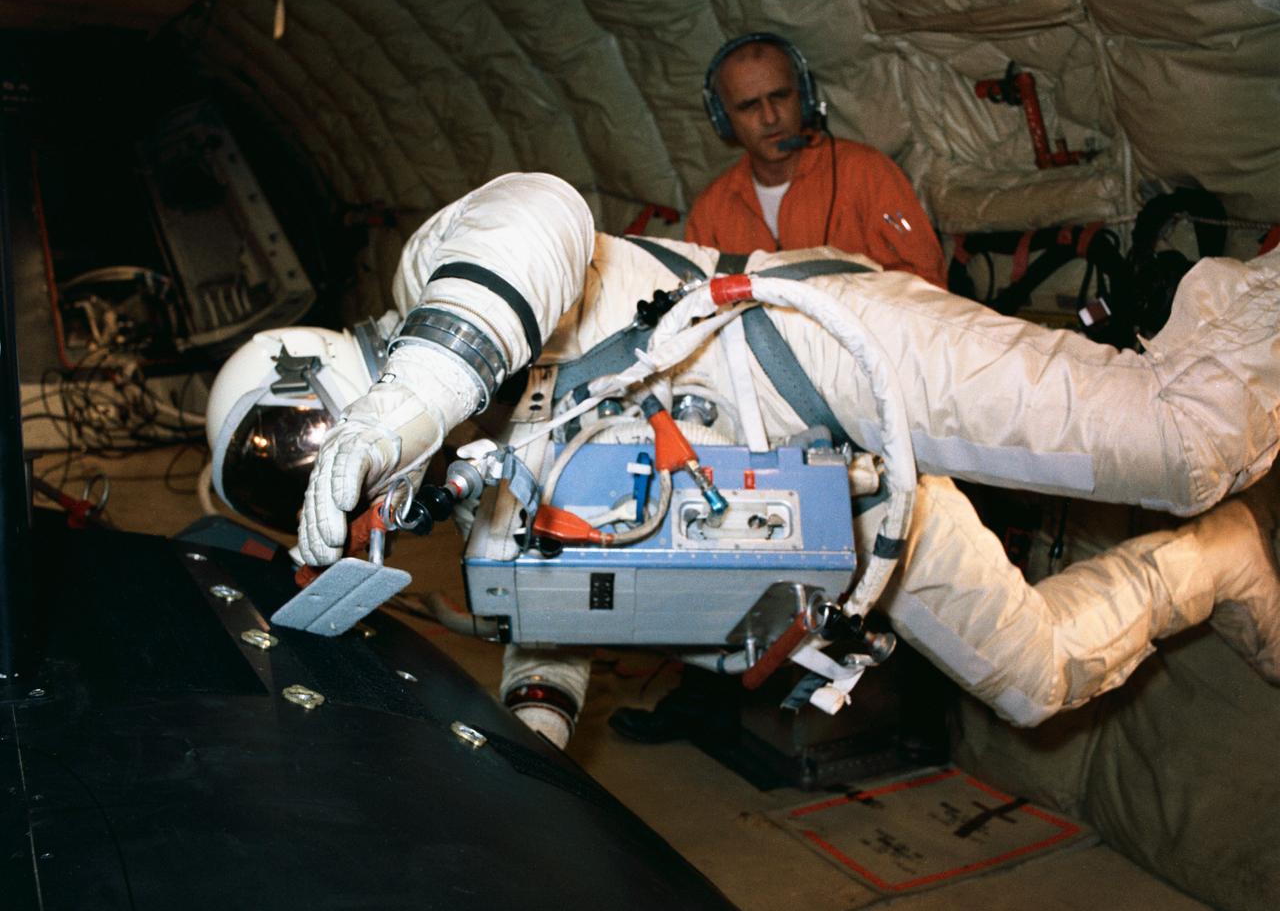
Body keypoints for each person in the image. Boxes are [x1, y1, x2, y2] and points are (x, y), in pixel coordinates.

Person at [216, 173, 1279, 751]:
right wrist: (532, 733)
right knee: (1034, 679)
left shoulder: (442, 285)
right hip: (841, 515)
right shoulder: (478, 490)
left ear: (321, 391)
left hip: (826, 351)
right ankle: (1222, 557)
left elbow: (539, 210)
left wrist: (418, 390)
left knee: (1184, 445)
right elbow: (556, 613)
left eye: (315, 459)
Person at [685, 33, 948, 287]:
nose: (769, 117)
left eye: (780, 96)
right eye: (749, 106)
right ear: (723, 119)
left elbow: (926, 283)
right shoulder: (711, 211)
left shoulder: (867, 173)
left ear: (805, 97)